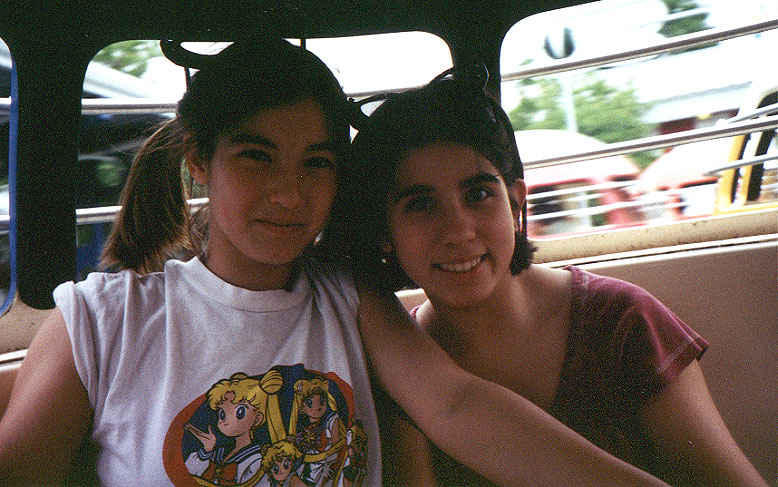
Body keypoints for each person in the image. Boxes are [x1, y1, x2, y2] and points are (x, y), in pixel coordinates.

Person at [0, 39, 672, 487]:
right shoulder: (101, 321)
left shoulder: (347, 297)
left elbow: (455, 403)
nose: (289, 194)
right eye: (257, 157)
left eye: (316, 163)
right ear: (200, 160)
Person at [328, 63, 769, 487]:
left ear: (516, 201)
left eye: (478, 194)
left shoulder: (620, 321)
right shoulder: (399, 369)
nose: (458, 230)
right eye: (421, 205)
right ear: (384, 232)